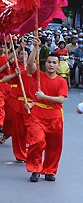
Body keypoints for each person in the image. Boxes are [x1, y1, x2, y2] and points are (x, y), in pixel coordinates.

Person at [26, 40, 68, 182]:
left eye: (54, 63)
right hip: (38, 115)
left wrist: (44, 96)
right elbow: (30, 64)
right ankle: (35, 169)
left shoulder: (62, 81)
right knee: (37, 141)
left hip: (55, 116)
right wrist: (35, 48)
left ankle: (49, 170)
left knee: (54, 145)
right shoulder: (39, 76)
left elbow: (61, 100)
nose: (51, 65)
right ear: (46, 63)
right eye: (49, 62)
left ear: (58, 65)